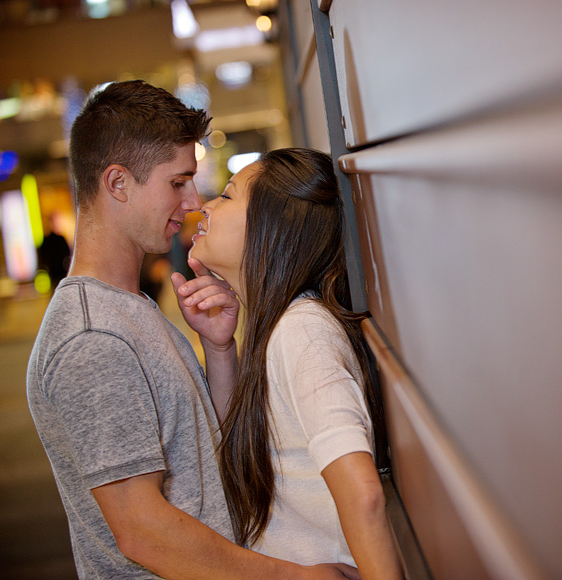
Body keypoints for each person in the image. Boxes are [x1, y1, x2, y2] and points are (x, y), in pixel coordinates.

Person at [26, 81, 357, 580]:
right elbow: (141, 528)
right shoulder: (91, 337)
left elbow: (210, 452)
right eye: (178, 182)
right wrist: (298, 577)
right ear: (117, 183)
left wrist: (219, 349)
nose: (194, 201)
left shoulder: (130, 307)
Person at [174, 148, 403, 579]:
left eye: (226, 196)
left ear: (270, 224)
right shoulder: (282, 326)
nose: (203, 206)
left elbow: (364, 495)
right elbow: (252, 451)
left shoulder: (302, 332)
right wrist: (221, 349)